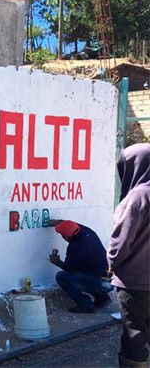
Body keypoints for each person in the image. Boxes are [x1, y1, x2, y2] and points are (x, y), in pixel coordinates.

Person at [108, 143, 150, 368]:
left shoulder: (139, 196)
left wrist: (109, 267)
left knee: (134, 336)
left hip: (135, 283)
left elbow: (120, 244)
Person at [48, 219, 113, 313]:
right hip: (110, 280)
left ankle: (85, 305)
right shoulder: (87, 231)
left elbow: (68, 269)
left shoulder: (75, 247)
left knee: (62, 277)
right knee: (87, 273)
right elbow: (74, 225)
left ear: (65, 237)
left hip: (102, 284)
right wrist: (59, 222)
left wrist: (56, 261)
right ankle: (102, 299)